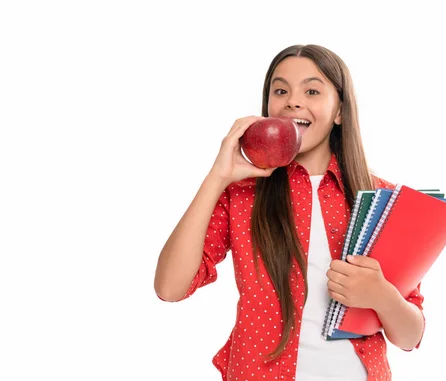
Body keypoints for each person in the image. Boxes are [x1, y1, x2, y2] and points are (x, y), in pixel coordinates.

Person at [154, 44, 425, 381]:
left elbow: (410, 335)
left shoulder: (382, 200)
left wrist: (381, 296)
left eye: (312, 90)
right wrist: (217, 178)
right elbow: (170, 287)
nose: (293, 101)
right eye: (280, 90)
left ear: (339, 111)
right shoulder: (241, 195)